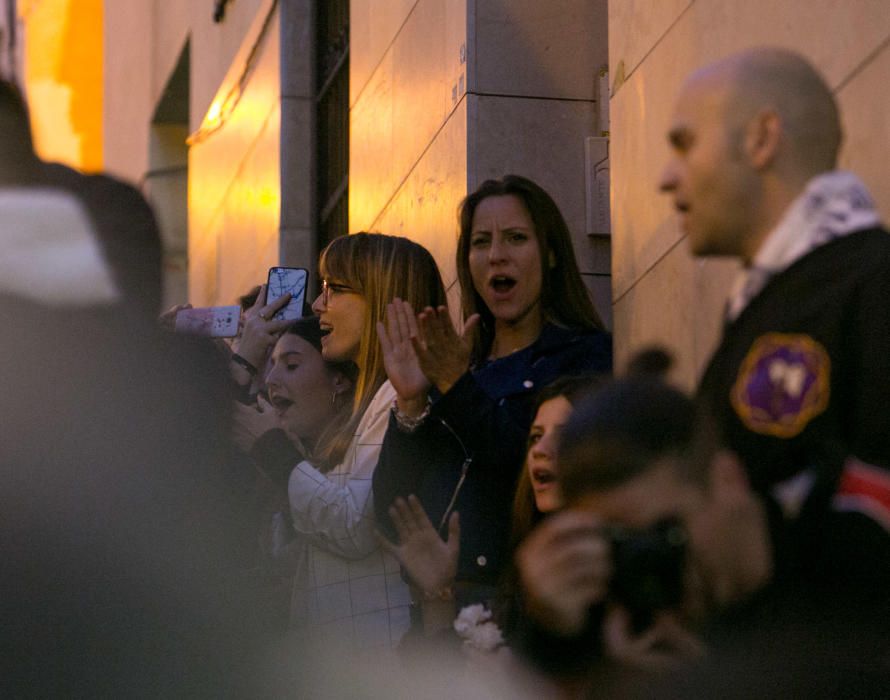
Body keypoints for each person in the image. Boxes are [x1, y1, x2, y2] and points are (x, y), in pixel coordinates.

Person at [514, 378, 890, 694]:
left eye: (665, 531)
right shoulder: (628, 611)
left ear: (727, 477)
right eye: (628, 545)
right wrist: (555, 642)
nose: (658, 559)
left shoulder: (859, 533)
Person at [373, 175, 612, 608]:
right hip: (433, 618)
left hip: (523, 609)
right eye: (481, 242)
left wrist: (455, 385)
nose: (497, 256)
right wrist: (409, 401)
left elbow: (529, 463)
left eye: (516, 238)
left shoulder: (584, 357)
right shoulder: (460, 366)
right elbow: (391, 512)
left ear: (551, 254)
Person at [658, 47, 890, 494]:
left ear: (762, 139)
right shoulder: (769, 302)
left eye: (685, 145)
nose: (666, 178)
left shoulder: (873, 287)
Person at [282, 232, 447, 652]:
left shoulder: (405, 397)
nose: (318, 305)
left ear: (383, 297)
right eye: (321, 289)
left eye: (335, 289)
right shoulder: (368, 401)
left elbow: (357, 524)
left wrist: (275, 454)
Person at [379, 374, 600, 643]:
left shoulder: (612, 568)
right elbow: (444, 676)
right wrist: (438, 593)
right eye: (535, 436)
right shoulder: (521, 561)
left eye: (564, 435)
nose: (541, 449)